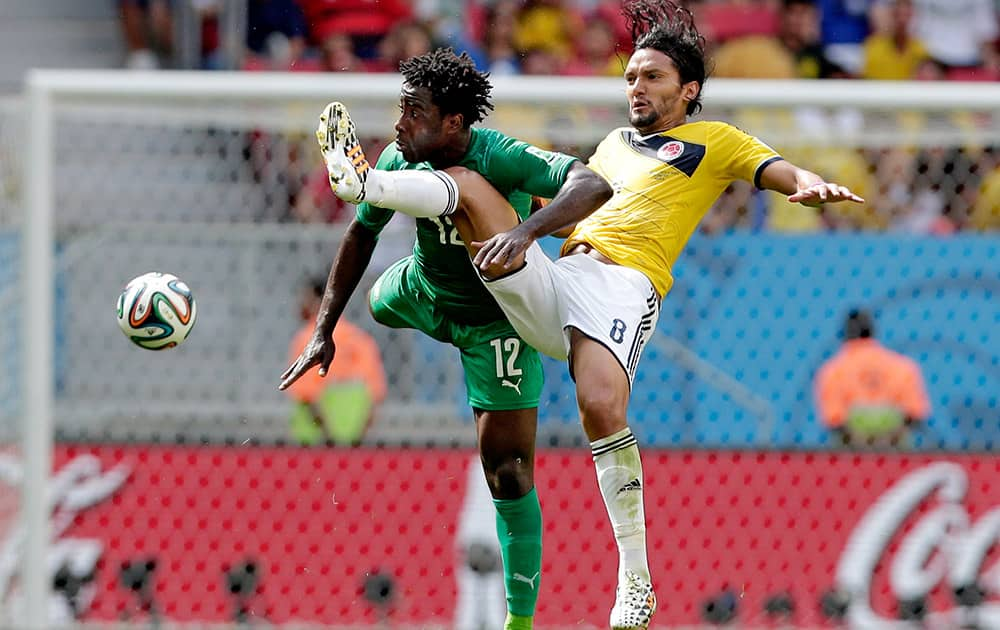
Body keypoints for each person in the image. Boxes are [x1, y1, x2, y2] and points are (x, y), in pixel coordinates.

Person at [310, 1, 865, 627]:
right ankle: (365, 187)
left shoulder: (716, 140)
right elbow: (573, 197)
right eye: (630, 76)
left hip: (623, 287)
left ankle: (634, 580)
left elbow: (775, 168)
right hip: (564, 273)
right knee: (466, 186)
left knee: (600, 406)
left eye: (651, 77)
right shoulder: (614, 144)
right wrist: (526, 228)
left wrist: (806, 182)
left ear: (688, 90)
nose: (636, 87)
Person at [279, 49, 613, 630]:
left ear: (453, 123)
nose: (401, 123)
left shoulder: (499, 155)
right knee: (382, 299)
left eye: (415, 112)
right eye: (401, 109)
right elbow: (359, 237)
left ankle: (519, 621)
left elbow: (593, 184)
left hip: (495, 323)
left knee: (507, 470)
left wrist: (530, 229)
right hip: (424, 287)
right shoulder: (401, 153)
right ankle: (368, 188)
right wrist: (325, 328)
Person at [283, 277, 386, 446]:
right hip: (355, 440)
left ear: (318, 301)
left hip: (314, 443)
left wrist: (329, 438)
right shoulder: (359, 339)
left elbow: (306, 395)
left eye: (305, 298)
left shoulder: (308, 339)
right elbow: (375, 392)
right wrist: (357, 436)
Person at [814, 309, 931, 448]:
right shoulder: (904, 367)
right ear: (872, 331)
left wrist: (862, 438)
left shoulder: (831, 370)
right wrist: (888, 436)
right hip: (896, 449)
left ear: (845, 334)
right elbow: (916, 415)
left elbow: (833, 420)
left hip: (851, 451)